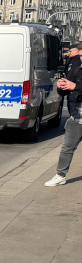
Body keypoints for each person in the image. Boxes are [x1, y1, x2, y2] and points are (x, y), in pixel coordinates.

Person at [45, 42, 82, 187]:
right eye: (79, 55)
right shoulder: (77, 67)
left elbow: (76, 86)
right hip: (77, 114)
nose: (80, 58)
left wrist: (76, 86)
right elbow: (71, 88)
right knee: (67, 147)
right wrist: (62, 87)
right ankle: (60, 175)